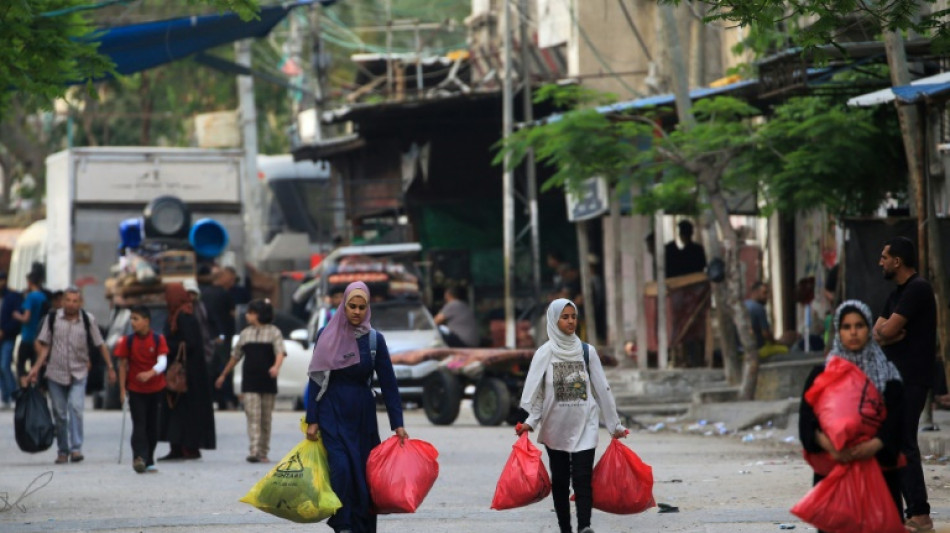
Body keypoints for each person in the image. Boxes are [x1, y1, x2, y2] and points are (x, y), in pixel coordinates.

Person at [305, 281, 407, 533]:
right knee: (341, 470)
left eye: (362, 307)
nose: (357, 311)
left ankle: (361, 526)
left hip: (362, 415)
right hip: (332, 410)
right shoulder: (326, 336)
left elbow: (389, 383)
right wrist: (312, 419)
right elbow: (316, 379)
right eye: (352, 306)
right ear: (344, 305)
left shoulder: (374, 340)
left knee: (363, 475)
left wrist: (398, 424)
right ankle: (343, 524)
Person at [517, 298, 626, 533]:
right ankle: (565, 528)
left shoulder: (587, 352)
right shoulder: (544, 354)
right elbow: (538, 395)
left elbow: (602, 390)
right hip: (555, 428)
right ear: (554, 321)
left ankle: (584, 526)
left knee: (583, 478)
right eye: (564, 317)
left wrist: (614, 425)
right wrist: (530, 422)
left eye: (573, 317)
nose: (570, 322)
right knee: (560, 482)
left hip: (585, 425)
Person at [798, 300, 905, 532]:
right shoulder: (822, 373)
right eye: (846, 327)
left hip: (878, 469)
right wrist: (829, 444)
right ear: (838, 332)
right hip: (834, 468)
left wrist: (875, 445)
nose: (853, 332)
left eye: (859, 325)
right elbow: (807, 420)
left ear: (868, 329)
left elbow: (897, 419)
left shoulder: (887, 373)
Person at [872, 236, 936, 533]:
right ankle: (907, 512)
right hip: (895, 380)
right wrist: (887, 334)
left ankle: (920, 514)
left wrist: (888, 333)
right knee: (895, 443)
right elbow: (878, 332)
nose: (880, 262)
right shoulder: (897, 294)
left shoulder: (918, 289)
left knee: (904, 443)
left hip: (912, 377)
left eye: (884, 257)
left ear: (897, 261)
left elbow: (890, 329)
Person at [27, 287, 117, 464]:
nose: (71, 304)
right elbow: (44, 346)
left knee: (76, 409)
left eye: (75, 301)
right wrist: (36, 368)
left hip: (79, 372)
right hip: (55, 373)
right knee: (60, 414)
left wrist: (111, 366)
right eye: (68, 300)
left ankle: (76, 449)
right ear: (62, 302)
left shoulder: (87, 319)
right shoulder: (52, 319)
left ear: (80, 302)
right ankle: (63, 450)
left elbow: (100, 344)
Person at [215, 298, 285, 463]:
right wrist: (224, 374)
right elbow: (235, 356)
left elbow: (280, 352)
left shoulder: (274, 332)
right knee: (253, 416)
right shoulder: (245, 334)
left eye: (250, 313)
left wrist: (276, 367)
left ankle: (263, 451)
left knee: (265, 418)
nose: (247, 315)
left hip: (268, 381)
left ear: (258, 314)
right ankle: (254, 450)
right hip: (250, 381)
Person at [158, 283, 216, 461]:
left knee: (184, 411)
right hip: (182, 372)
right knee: (175, 409)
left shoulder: (185, 316)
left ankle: (187, 447)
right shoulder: (177, 315)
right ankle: (177, 447)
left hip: (188, 375)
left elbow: (190, 343)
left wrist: (167, 345)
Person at [114, 305, 169, 473]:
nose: (132, 322)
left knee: (153, 426)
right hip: (136, 390)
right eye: (131, 319)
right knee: (139, 424)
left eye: (136, 319)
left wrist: (150, 373)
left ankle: (149, 458)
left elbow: (162, 362)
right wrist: (122, 389)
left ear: (147, 321)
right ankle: (138, 457)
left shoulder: (158, 340)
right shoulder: (128, 341)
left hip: (156, 389)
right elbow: (122, 365)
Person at [14, 271, 48, 388]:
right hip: (39, 337)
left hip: (28, 336)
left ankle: (24, 386)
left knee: (21, 365)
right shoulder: (43, 296)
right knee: (36, 365)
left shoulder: (31, 297)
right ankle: (35, 388)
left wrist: (16, 315)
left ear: (29, 282)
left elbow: (26, 317)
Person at [743, 281, 788, 358]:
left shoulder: (744, 305)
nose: (766, 297)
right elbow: (765, 334)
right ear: (756, 292)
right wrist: (775, 342)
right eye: (764, 293)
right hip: (758, 349)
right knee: (785, 350)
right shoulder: (759, 308)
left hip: (742, 348)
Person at [0, 271, 23, 409]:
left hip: (7, 336)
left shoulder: (12, 297)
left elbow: (16, 318)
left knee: (5, 365)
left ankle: (14, 396)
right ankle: (5, 398)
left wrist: (4, 330)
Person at [182, 278, 216, 368]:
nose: (191, 296)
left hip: (203, 345)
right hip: (187, 347)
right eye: (188, 293)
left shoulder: (202, 307)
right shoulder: (181, 310)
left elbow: (209, 323)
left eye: (193, 293)